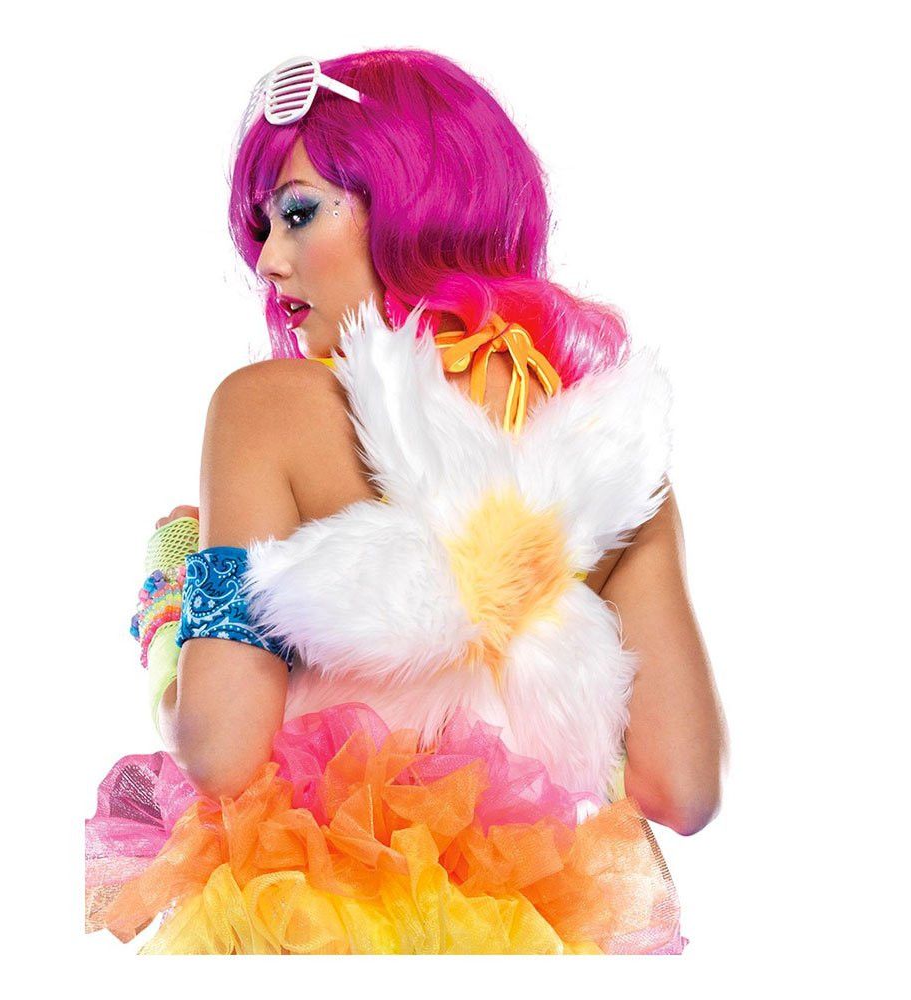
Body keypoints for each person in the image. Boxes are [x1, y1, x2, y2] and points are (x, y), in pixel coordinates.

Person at [84, 49, 728, 955]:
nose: (267, 259)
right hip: (522, 941)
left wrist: (170, 602)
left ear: (409, 201)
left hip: (306, 929)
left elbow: (221, 752)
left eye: (298, 213)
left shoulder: (268, 408)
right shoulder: (614, 460)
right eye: (263, 227)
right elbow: (684, 790)